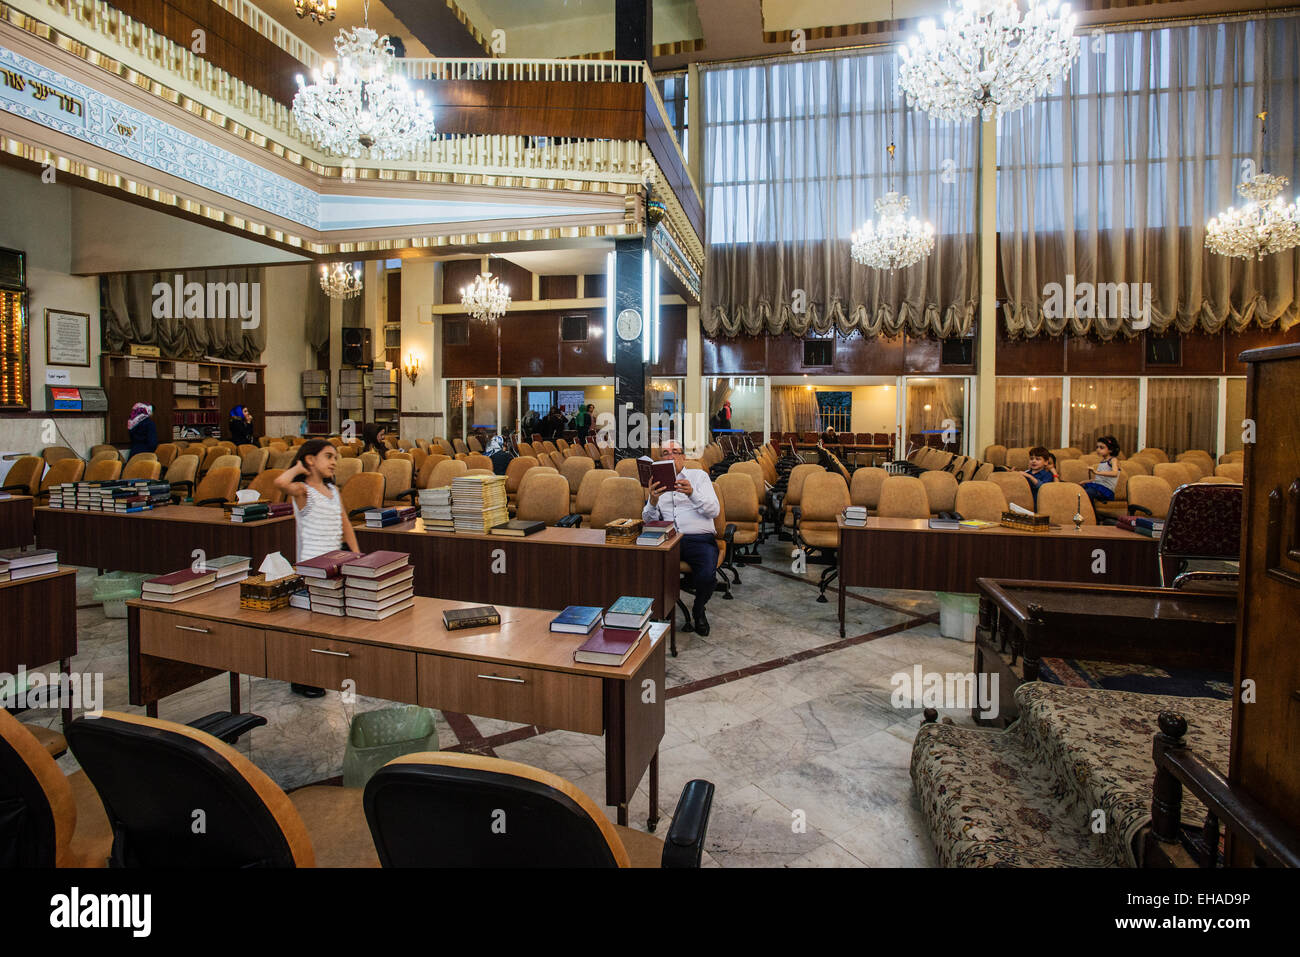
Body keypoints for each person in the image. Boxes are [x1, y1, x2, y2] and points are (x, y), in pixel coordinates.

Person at [275, 439, 360, 698]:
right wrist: (299, 467)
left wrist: (357, 554)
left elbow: (345, 523)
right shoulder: (303, 490)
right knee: (311, 624)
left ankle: (323, 668)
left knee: (329, 620)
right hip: (311, 566)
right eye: (328, 456)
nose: (334, 461)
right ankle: (301, 677)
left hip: (335, 562)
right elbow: (280, 483)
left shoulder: (334, 492)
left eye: (336, 457)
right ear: (311, 460)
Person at [644, 440, 721, 636]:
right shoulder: (657, 481)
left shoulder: (699, 476)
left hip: (698, 538)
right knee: (642, 567)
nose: (670, 456)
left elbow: (714, 510)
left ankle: (698, 609)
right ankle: (653, 612)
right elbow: (648, 521)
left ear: (683, 457)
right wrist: (652, 501)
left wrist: (693, 494)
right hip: (668, 538)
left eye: (675, 452)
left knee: (706, 576)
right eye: (665, 453)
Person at [1083, 435, 1121, 508]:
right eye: (1097, 447)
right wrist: (1087, 481)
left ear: (1110, 449)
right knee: (1079, 490)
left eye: (1101, 447)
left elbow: (1115, 473)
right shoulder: (1102, 461)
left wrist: (1097, 472)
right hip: (1099, 487)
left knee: (1088, 493)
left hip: (1106, 490)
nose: (1098, 449)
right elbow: (1100, 479)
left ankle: (1094, 516)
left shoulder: (1113, 460)